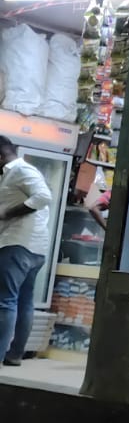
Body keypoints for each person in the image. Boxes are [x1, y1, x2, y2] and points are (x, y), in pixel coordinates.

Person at [0, 135, 53, 366]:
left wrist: (7, 213)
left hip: (17, 245)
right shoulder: (15, 173)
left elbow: (44, 197)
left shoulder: (20, 170)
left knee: (5, 302)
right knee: (24, 301)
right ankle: (14, 354)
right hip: (35, 248)